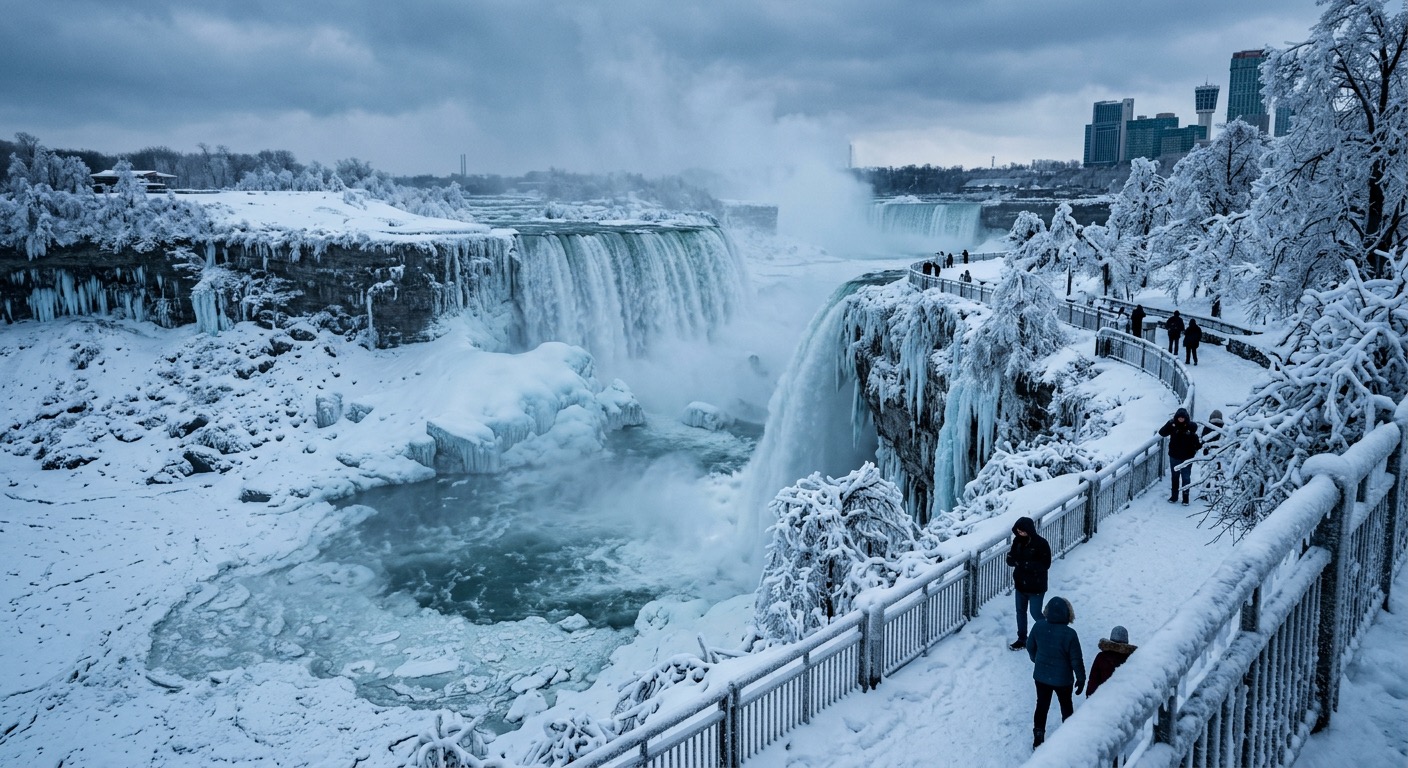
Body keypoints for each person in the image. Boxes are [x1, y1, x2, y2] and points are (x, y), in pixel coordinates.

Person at [1027, 596, 1084, 749]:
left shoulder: (1038, 626)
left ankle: (1038, 737)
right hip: (1063, 680)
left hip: (1041, 676)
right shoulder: (1070, 634)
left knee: (1042, 705)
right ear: (1068, 613)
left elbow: (1030, 646)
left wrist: (1036, 659)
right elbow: (1076, 659)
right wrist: (1081, 677)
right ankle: (1068, 736)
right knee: (1066, 705)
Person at [1005, 516, 1051, 650]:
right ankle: (1022, 639)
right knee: (1020, 612)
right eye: (1018, 531)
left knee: (1035, 613)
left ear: (1029, 530)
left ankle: (1050, 634)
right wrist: (1011, 560)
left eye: (1022, 531)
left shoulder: (1041, 544)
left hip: (1036, 586)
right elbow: (1012, 558)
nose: (1020, 534)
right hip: (1020, 584)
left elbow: (1045, 564)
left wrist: (1024, 564)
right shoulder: (1017, 541)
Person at [1158, 407, 1202, 505]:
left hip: (1187, 457)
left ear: (1186, 418)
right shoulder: (1172, 426)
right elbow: (1162, 433)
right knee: (1175, 477)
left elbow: (1197, 442)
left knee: (1186, 477)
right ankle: (1174, 497)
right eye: (1179, 417)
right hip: (1174, 456)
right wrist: (1169, 423)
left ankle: (1185, 498)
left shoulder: (1191, 427)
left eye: (1183, 417)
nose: (1181, 419)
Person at [1085, 625, 1136, 697]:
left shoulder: (1101, 657)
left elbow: (1094, 679)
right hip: (1125, 699)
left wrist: (1090, 695)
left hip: (1104, 698)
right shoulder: (1132, 658)